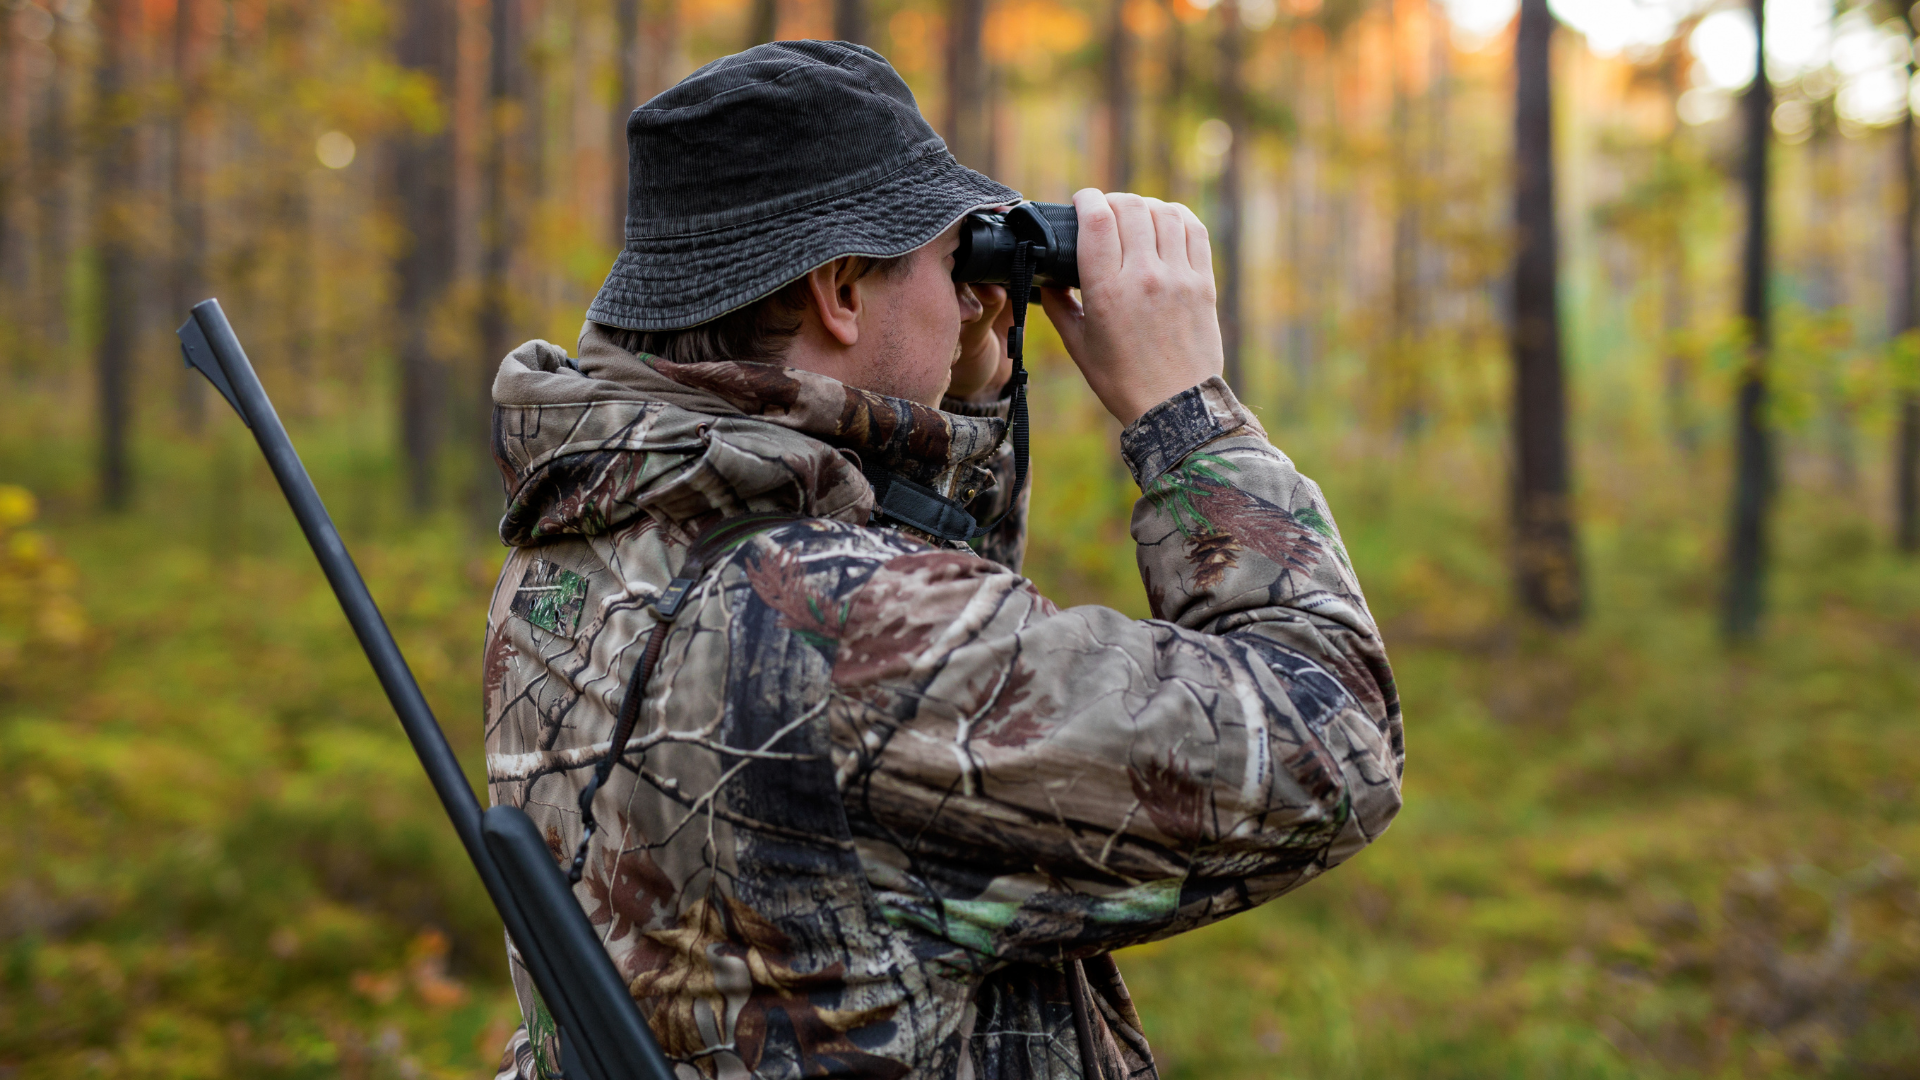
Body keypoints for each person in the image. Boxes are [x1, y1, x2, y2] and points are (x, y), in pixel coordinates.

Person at [484, 39, 1402, 1080]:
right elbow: (1333, 745)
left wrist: (955, 407)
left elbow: (895, 685)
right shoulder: (850, 631)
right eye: (944, 259)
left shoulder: (584, 540)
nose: (969, 294)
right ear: (839, 289)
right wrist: (1187, 420)